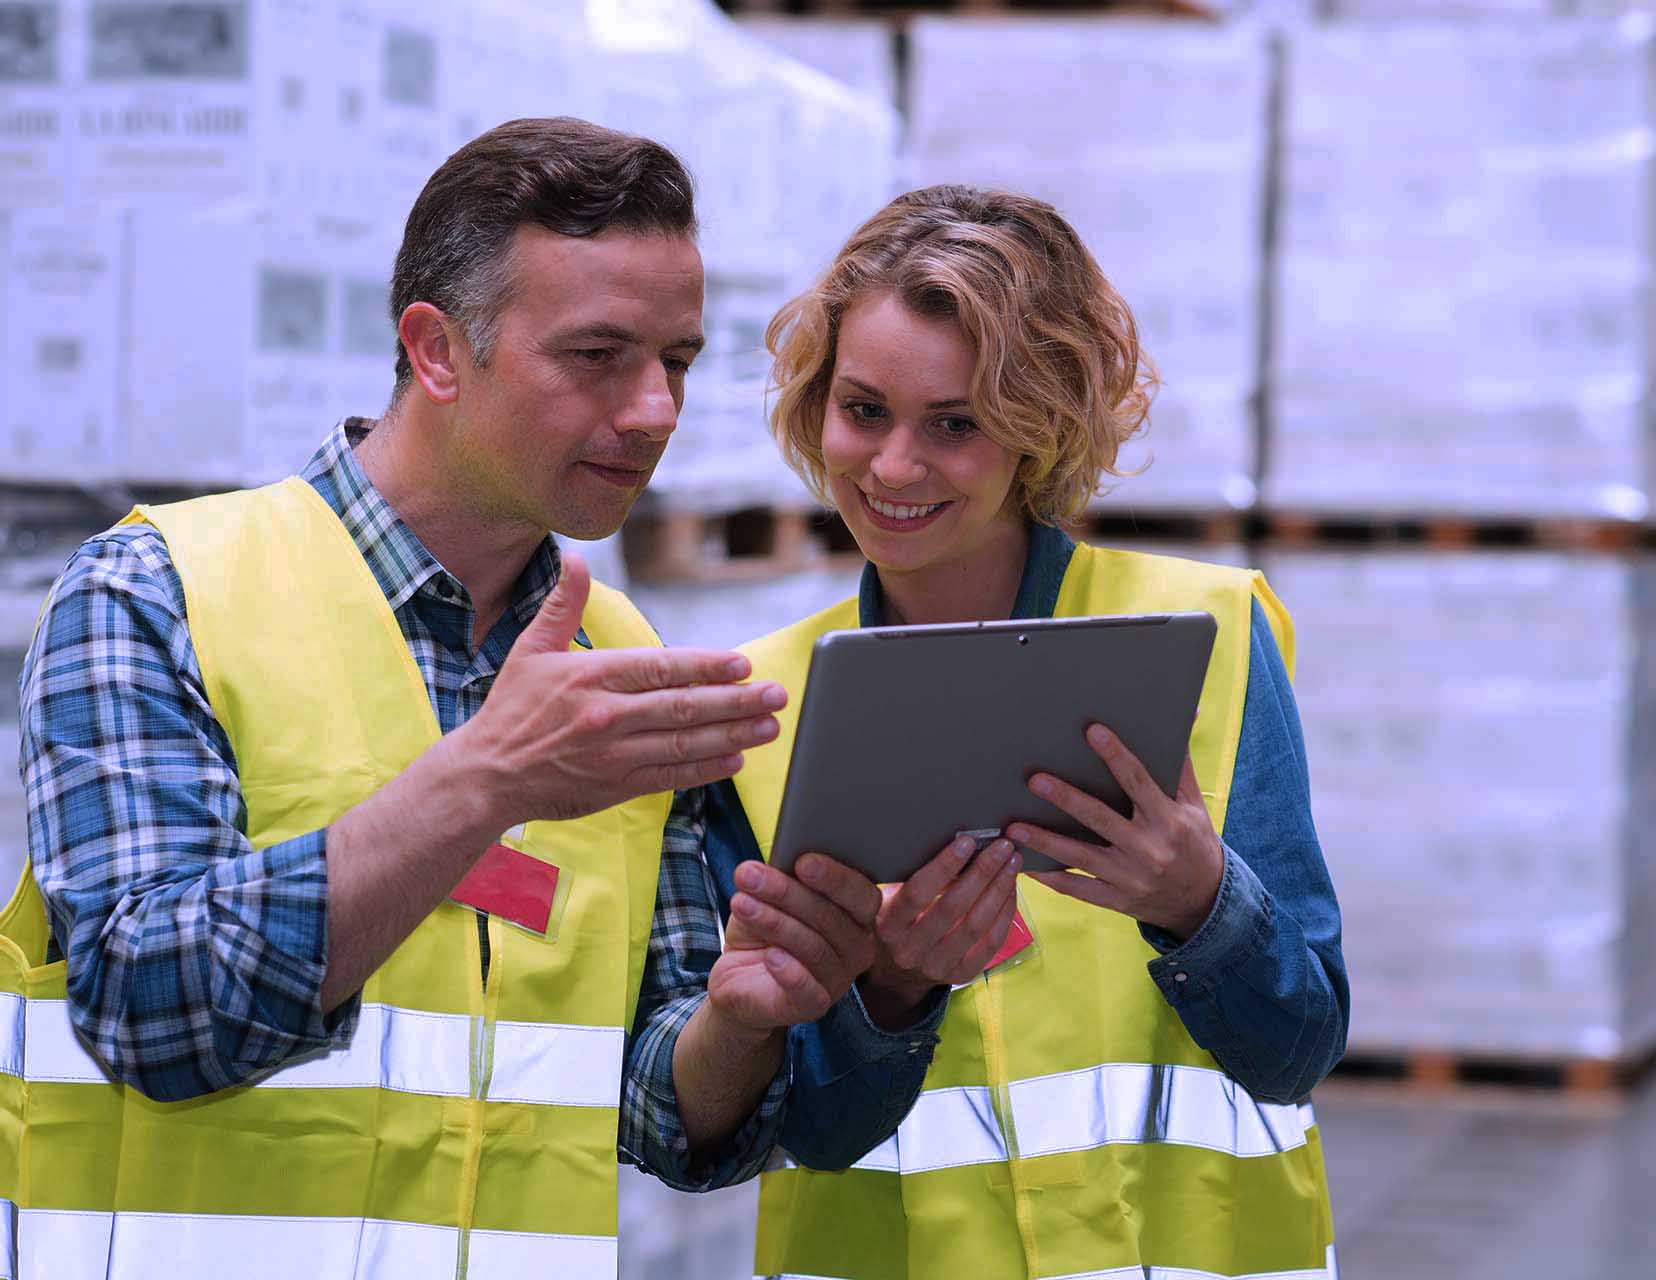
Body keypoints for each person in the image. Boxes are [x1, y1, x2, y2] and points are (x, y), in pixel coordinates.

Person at [0, 119, 978, 1277]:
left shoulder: (617, 651)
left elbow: (659, 1113)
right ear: (436, 351)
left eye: (677, 359)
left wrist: (742, 1020)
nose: (657, 408)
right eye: (598, 355)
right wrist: (484, 780)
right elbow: (145, 1006)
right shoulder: (160, 589)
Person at [700, 185, 1349, 1279]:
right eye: (862, 410)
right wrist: (894, 991)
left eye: (955, 424)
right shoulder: (761, 705)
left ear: (1038, 422)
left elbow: (1299, 1044)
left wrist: (1199, 902)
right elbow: (792, 1123)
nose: (894, 467)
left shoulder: (1215, 638)